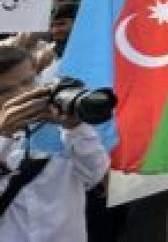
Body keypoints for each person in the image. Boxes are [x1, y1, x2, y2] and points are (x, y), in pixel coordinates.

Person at [0, 46, 109, 242]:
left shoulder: (63, 124)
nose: (23, 93)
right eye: (5, 90)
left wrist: (75, 128)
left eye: (29, 81)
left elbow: (94, 175)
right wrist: (4, 136)